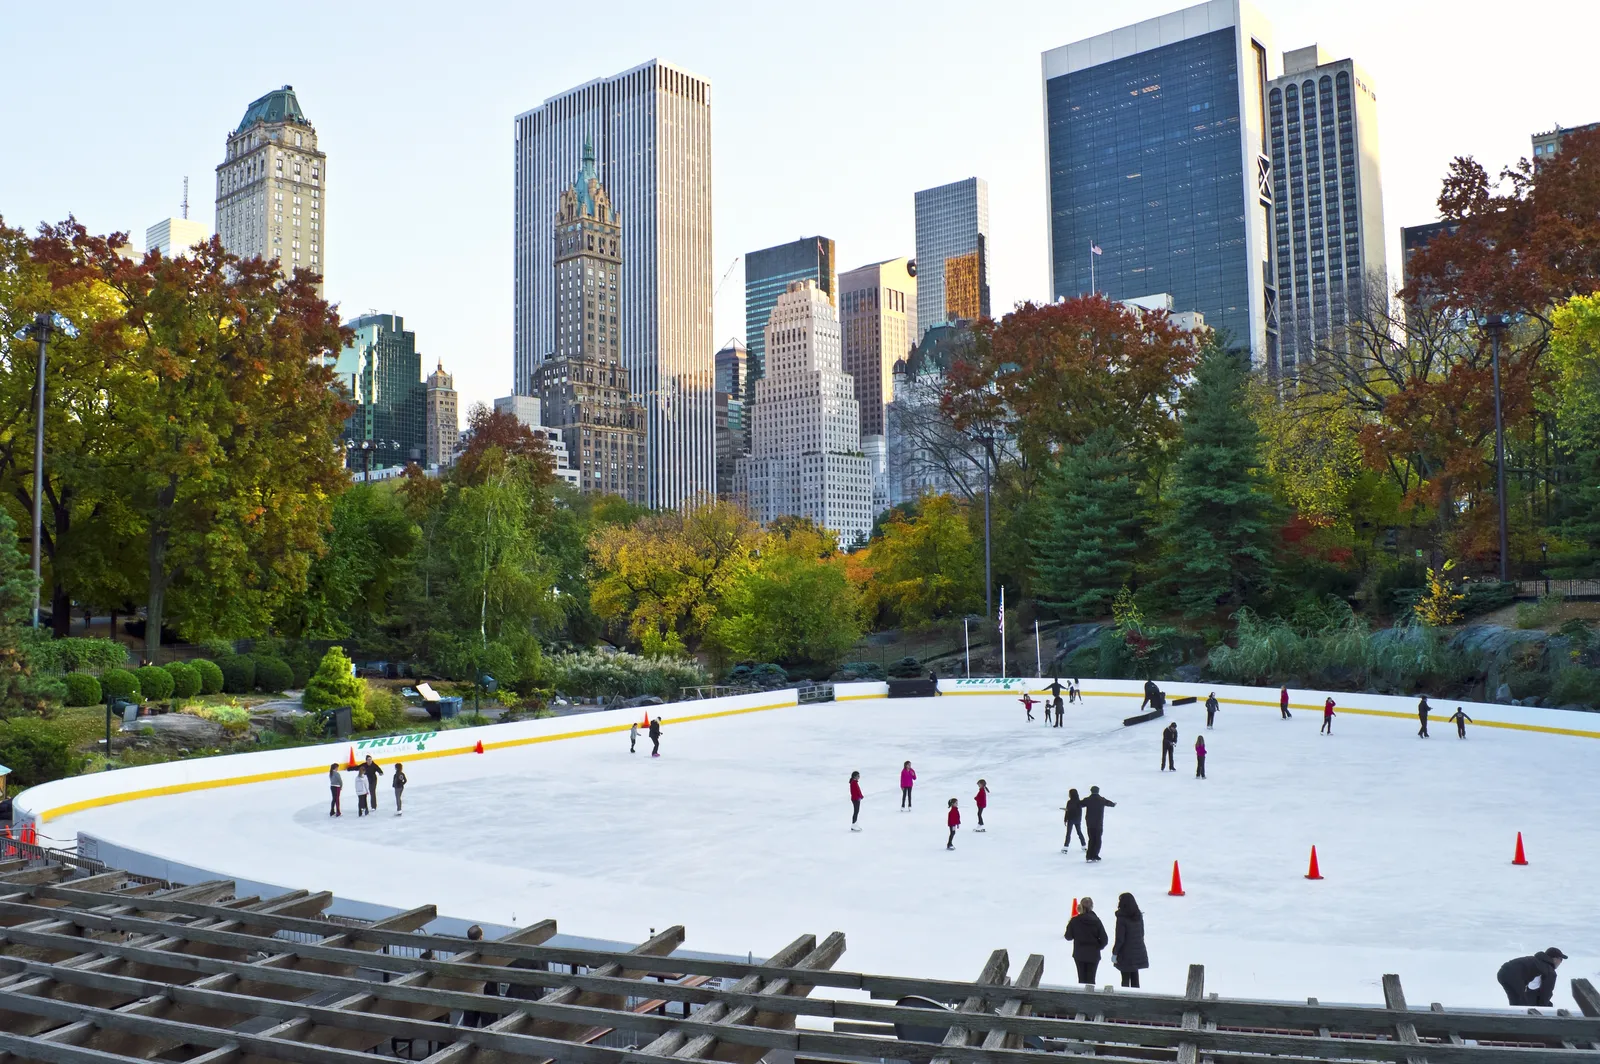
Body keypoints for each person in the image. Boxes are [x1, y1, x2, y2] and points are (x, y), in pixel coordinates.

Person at [1497, 948, 1566, 1006]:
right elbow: (1546, 992)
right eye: (1561, 959)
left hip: (1503, 973)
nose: (1561, 962)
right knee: (1520, 1004)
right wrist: (1543, 1009)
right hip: (1513, 976)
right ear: (1555, 959)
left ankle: (1515, 1018)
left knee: (1518, 1002)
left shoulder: (1537, 963)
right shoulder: (1549, 970)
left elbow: (1532, 989)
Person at [1063, 896, 1108, 985]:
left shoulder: (1075, 921)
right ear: (1092, 907)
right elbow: (1104, 939)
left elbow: (1068, 937)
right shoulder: (1097, 921)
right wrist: (1097, 947)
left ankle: (1081, 997)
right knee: (1091, 979)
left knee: (1081, 979)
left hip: (1079, 954)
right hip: (1093, 954)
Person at [1111, 893, 1148, 988]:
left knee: (1125, 979)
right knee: (1135, 977)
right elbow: (1142, 933)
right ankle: (1137, 999)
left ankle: (1125, 1001)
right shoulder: (1138, 916)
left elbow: (1120, 939)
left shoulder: (1122, 918)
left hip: (1125, 953)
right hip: (1138, 951)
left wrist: (1115, 953)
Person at [1083, 786, 1115, 861]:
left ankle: (1089, 856)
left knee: (1091, 839)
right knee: (1098, 839)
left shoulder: (1087, 800)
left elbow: (1079, 804)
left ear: (1091, 791)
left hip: (1090, 823)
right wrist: (1114, 804)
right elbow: (1110, 804)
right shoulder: (1101, 800)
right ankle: (1095, 855)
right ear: (1098, 791)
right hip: (1098, 823)